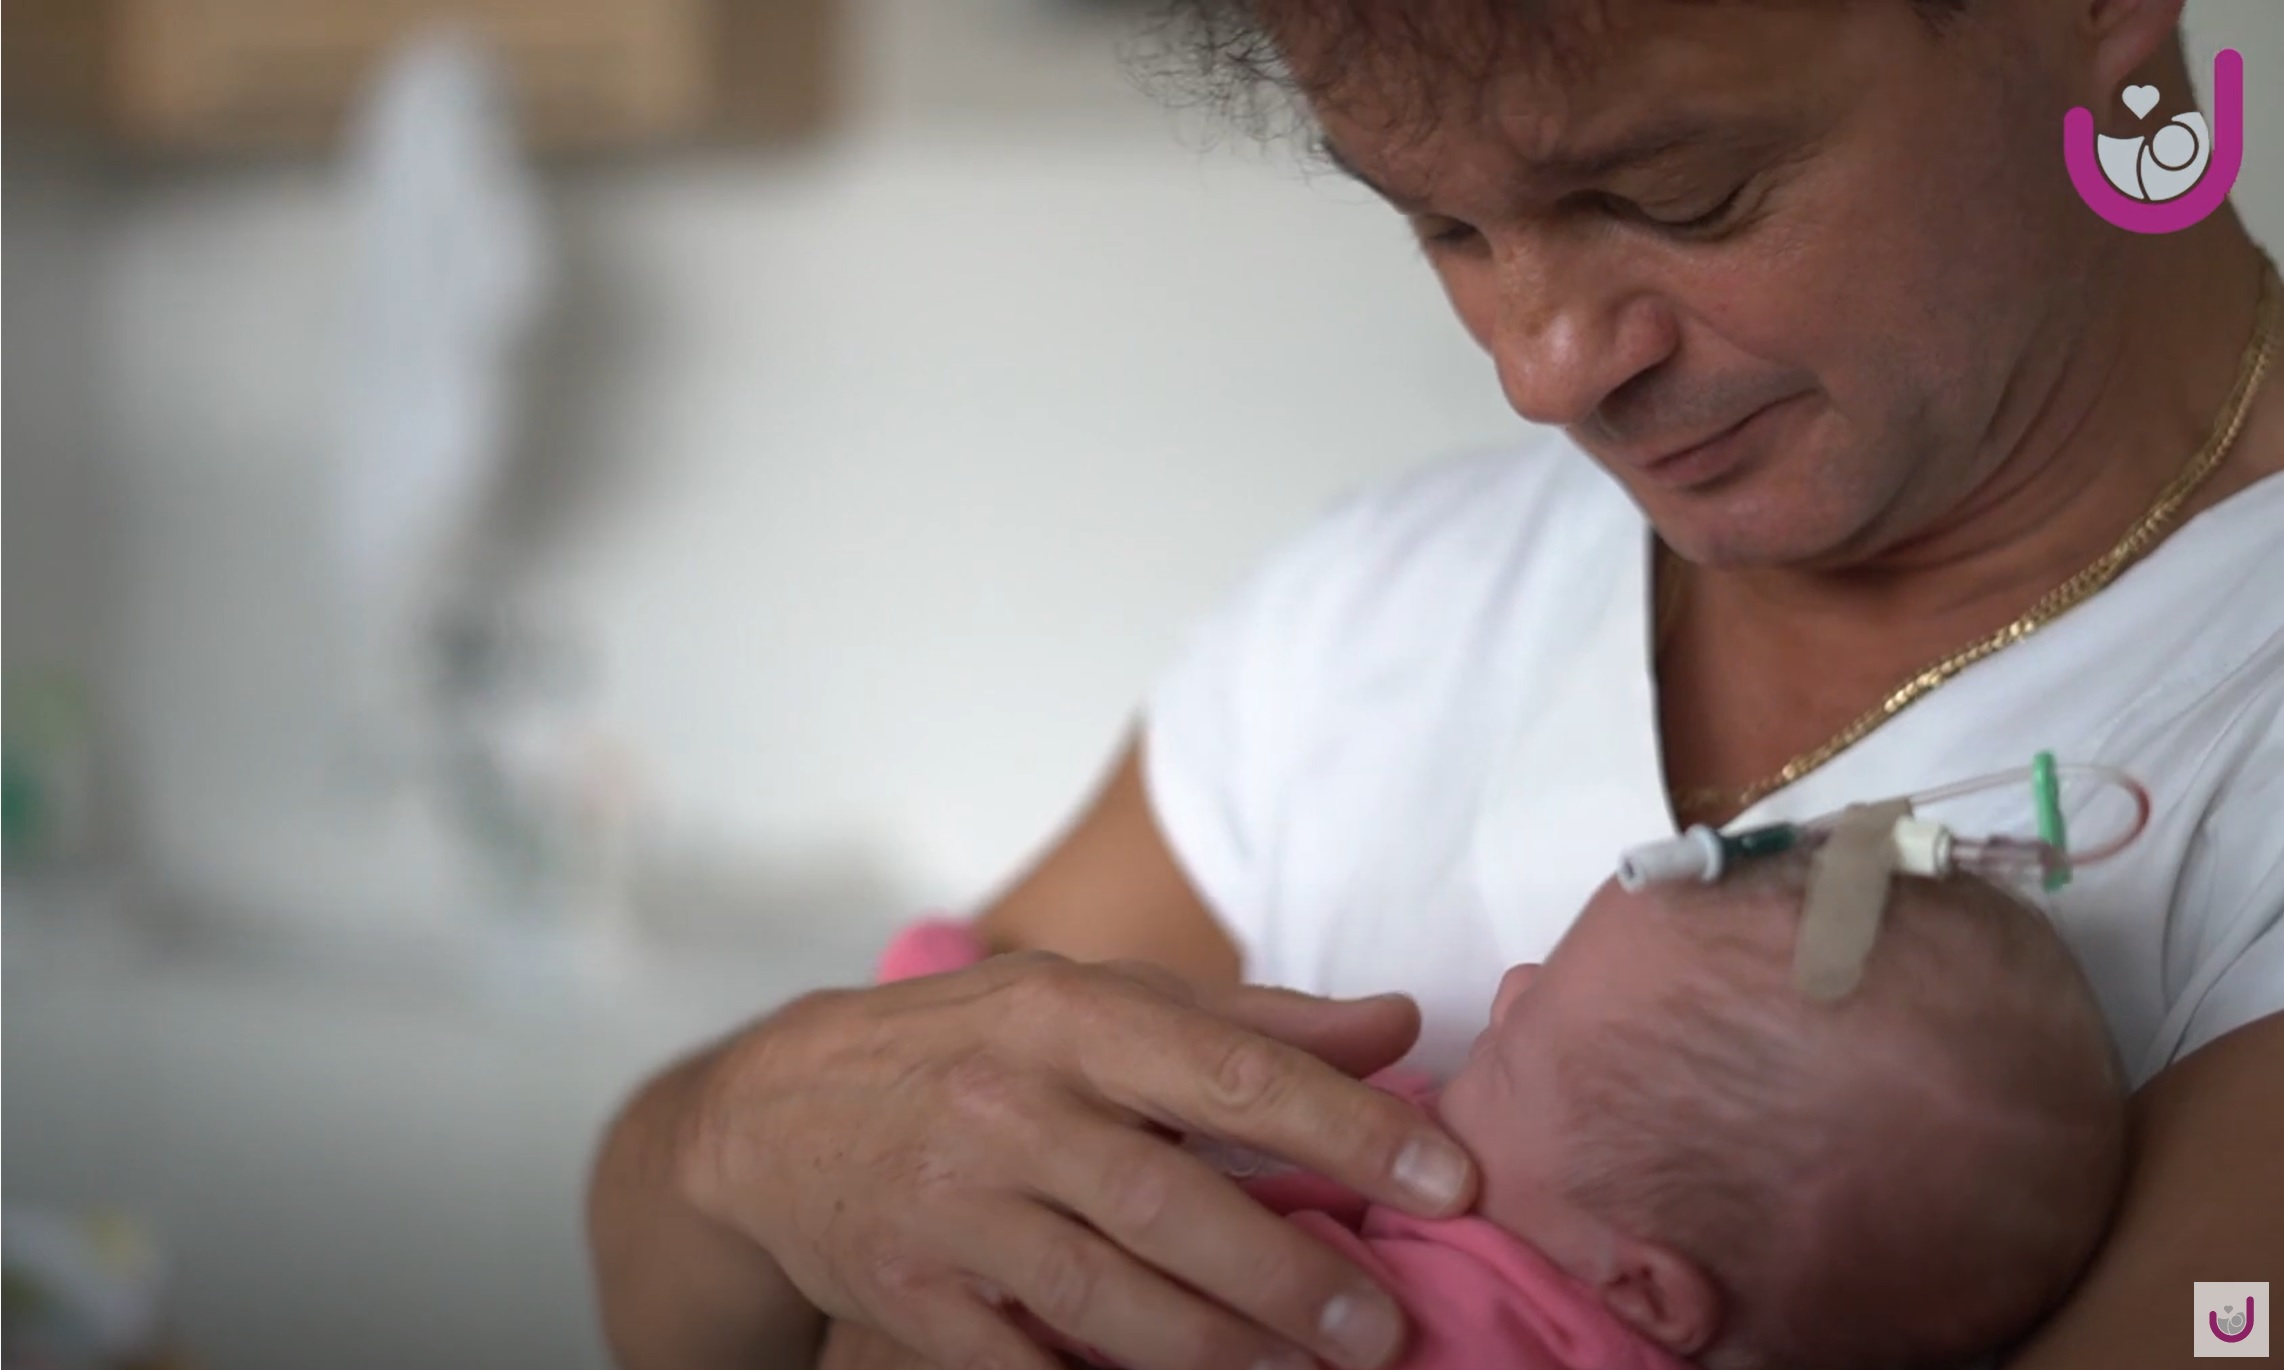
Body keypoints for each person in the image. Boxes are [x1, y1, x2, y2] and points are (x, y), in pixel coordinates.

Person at [586, 2, 2284, 1368]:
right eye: (1445, 226)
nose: (1543, 366)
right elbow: (697, 1257)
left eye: (1682, 194)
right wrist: (735, 1140)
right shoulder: (1380, 613)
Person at [871, 858, 2129, 1370]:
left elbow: (1087, 1268)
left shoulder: (1457, 1329)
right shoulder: (1521, 1237)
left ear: (1641, 1287)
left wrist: (942, 996)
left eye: (1520, 1049)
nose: (1510, 988)